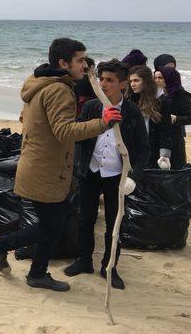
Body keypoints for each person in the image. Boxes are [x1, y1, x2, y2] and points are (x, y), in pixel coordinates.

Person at [0, 38, 117, 291]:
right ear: (63, 63)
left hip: (38, 165)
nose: (85, 66)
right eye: (80, 61)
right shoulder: (58, 90)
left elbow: (27, 119)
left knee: (52, 225)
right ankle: (6, 251)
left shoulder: (41, 84)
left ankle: (31, 269)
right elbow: (64, 131)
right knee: (51, 226)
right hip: (46, 170)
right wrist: (103, 123)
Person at [64, 60, 150, 290]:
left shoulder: (132, 113)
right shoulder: (92, 107)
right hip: (90, 171)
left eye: (109, 80)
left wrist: (134, 176)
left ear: (123, 84)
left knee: (115, 222)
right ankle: (84, 260)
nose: (103, 84)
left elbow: (143, 150)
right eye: (101, 79)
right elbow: (78, 134)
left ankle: (109, 266)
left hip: (117, 176)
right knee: (85, 218)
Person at [127, 65, 172, 169]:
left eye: (136, 80)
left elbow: (166, 129)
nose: (132, 84)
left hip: (153, 147)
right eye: (131, 81)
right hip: (133, 148)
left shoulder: (160, 100)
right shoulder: (130, 99)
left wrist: (164, 154)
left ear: (146, 81)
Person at [154, 66, 191, 170]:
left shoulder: (181, 95)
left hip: (175, 137)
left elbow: (190, 118)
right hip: (160, 136)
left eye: (161, 78)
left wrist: (175, 118)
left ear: (169, 78)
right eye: (155, 78)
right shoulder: (156, 94)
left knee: (175, 170)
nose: (157, 81)